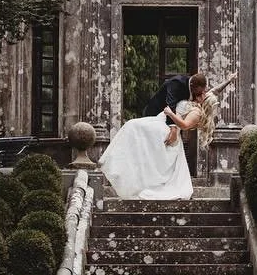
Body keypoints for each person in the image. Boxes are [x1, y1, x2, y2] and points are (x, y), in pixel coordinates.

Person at [99, 73, 234, 200]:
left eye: (205, 94)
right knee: (133, 131)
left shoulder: (197, 112)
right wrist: (228, 80)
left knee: (132, 127)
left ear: (206, 102)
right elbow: (215, 91)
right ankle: (117, 166)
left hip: (167, 130)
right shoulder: (194, 95)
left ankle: (121, 169)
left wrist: (171, 115)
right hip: (160, 122)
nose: (205, 93)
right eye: (203, 92)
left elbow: (185, 125)